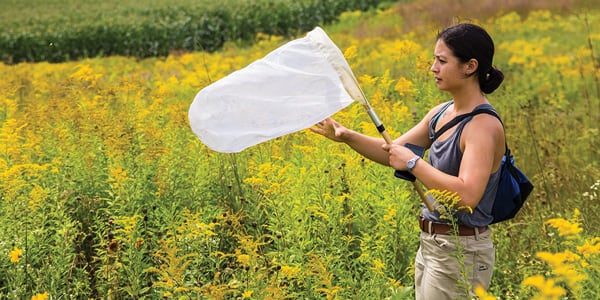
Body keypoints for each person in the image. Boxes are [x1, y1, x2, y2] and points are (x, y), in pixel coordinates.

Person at [310, 23, 505, 299]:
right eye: (434, 60)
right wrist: (346, 135)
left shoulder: (482, 127)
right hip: (433, 243)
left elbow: (468, 195)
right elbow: (393, 152)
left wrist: (414, 163)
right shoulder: (442, 113)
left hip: (461, 251)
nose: (433, 68)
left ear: (470, 66)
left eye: (442, 61)